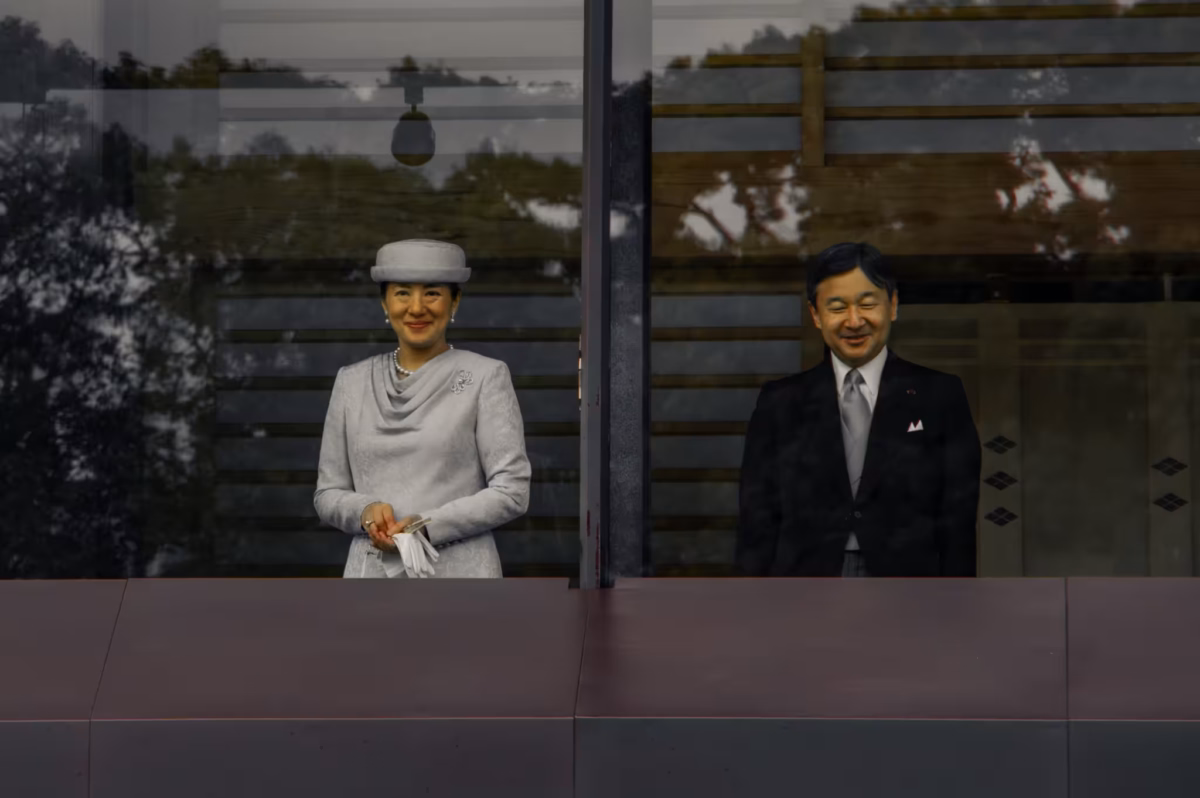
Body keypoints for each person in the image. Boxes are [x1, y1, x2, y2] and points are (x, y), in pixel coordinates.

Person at [736, 242, 981, 577]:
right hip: (804, 586)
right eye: (837, 308)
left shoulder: (940, 395)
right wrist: (750, 608)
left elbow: (958, 518)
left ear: (892, 305)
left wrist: (957, 603)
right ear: (815, 315)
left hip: (909, 586)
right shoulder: (780, 401)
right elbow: (757, 518)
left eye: (867, 304)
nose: (854, 321)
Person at [314, 239, 531, 578]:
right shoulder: (351, 382)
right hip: (371, 579)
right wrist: (366, 511)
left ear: (455, 301)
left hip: (461, 578)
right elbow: (327, 493)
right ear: (384, 303)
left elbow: (512, 491)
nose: (416, 308)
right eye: (402, 293)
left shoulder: (485, 376)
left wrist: (426, 526)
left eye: (432, 293)